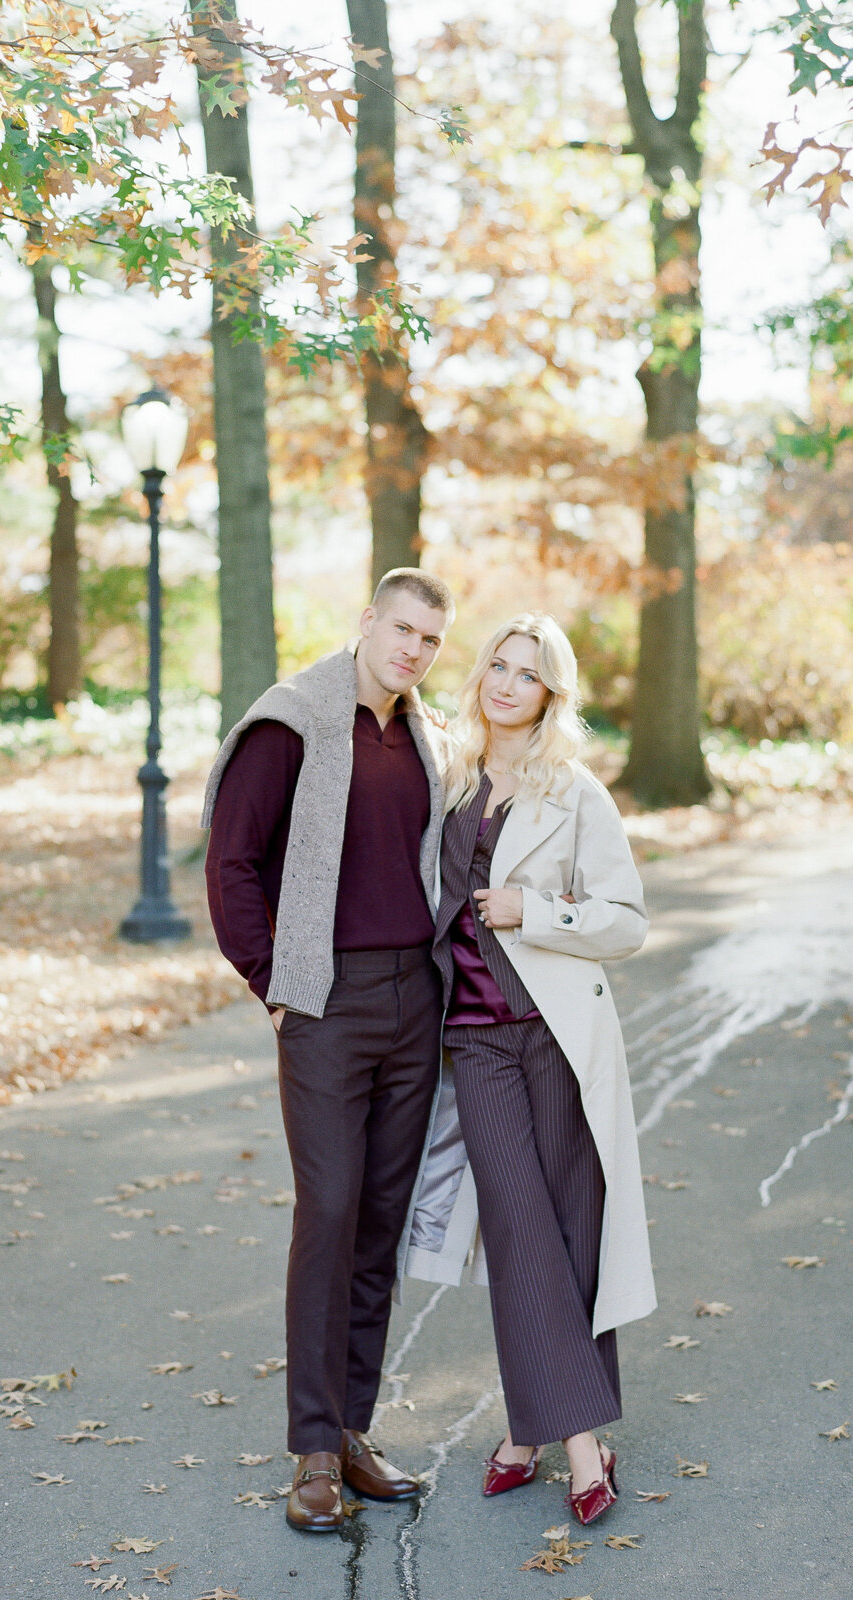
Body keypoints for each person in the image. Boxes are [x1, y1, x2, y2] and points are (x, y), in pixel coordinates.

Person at [202, 568, 453, 1534]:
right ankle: (312, 1448)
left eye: (430, 640)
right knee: (332, 1209)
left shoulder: (426, 737)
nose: (413, 650)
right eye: (403, 629)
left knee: (382, 1220)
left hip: (414, 999)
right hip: (326, 1002)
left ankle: (352, 1431)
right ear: (368, 621)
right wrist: (273, 984)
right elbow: (232, 860)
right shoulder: (292, 720)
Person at [399, 613, 654, 1526]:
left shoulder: (575, 792)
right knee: (518, 1229)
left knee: (573, 1230)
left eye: (528, 673)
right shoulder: (447, 778)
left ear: (551, 693)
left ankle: (527, 1429)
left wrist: (534, 910)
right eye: (498, 667)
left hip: (557, 1036)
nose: (507, 684)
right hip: (474, 1041)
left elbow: (627, 921)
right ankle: (585, 1445)